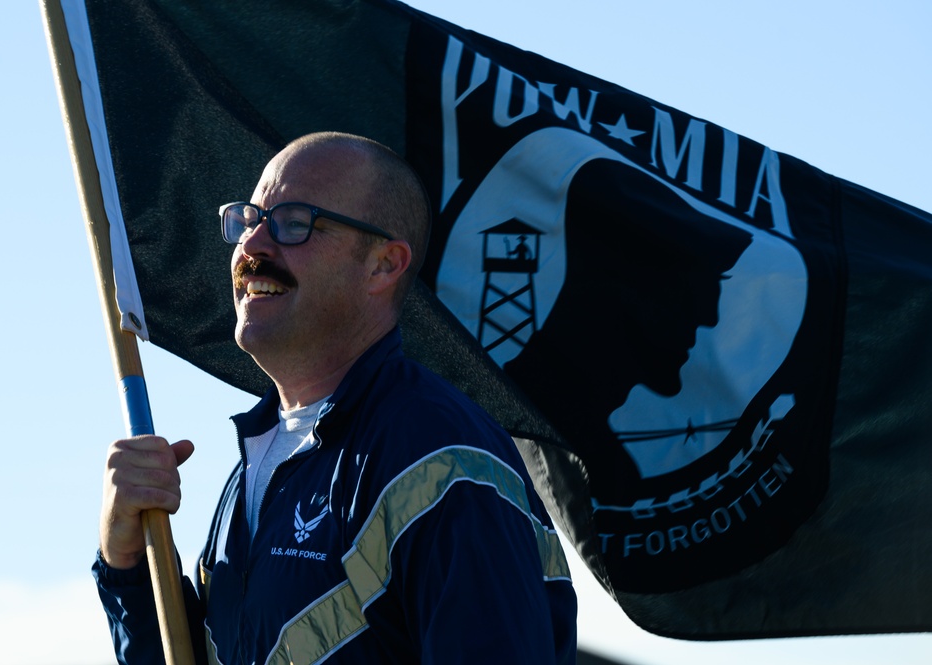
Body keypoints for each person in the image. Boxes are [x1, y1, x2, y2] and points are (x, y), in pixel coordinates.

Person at [92, 132, 577, 664]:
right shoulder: (255, 469)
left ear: (384, 265)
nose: (252, 245)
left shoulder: (440, 457)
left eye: (294, 223)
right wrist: (127, 563)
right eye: (249, 220)